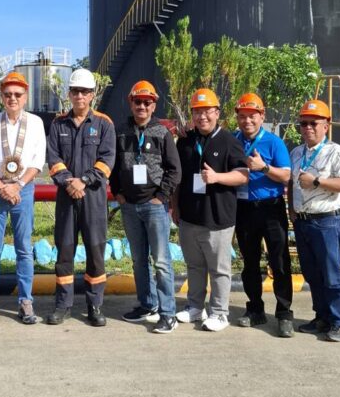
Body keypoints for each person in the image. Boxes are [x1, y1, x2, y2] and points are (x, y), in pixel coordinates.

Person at [173, 88, 248, 332]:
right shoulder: (185, 141)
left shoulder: (229, 141)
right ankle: (195, 307)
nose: (202, 116)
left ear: (217, 113)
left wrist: (217, 177)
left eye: (207, 111)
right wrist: (175, 206)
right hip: (189, 217)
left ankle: (219, 313)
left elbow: (243, 175)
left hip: (217, 218)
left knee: (219, 269)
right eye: (197, 112)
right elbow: (178, 178)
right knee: (194, 266)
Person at [46, 67, 116, 327]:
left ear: (92, 95)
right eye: (75, 91)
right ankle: (63, 305)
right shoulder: (58, 124)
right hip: (67, 197)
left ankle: (94, 305)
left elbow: (107, 160)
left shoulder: (104, 124)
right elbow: (53, 158)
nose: (80, 96)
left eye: (85, 92)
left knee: (95, 251)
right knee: (65, 251)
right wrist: (69, 182)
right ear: (69, 94)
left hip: (93, 198)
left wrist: (84, 181)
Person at [0, 71, 46, 325]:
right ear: (1, 97)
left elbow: (38, 160)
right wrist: (1, 186)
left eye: (17, 94)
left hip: (23, 191)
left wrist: (17, 186)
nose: (12, 98)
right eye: (7, 94)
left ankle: (26, 301)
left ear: (25, 96)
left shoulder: (35, 123)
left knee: (24, 249)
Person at [110, 80, 181, 333]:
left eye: (146, 102)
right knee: (139, 260)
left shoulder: (162, 133)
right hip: (129, 206)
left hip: (154, 207)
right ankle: (147, 304)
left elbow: (174, 170)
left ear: (153, 106)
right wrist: (118, 193)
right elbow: (113, 166)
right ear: (131, 103)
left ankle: (168, 313)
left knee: (161, 261)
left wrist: (161, 197)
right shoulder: (120, 132)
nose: (142, 106)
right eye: (138, 101)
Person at [287, 100, 340, 342]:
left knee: (332, 274)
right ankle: (322, 317)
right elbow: (291, 182)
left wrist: (317, 181)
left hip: (327, 222)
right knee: (312, 274)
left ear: (326, 125)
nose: (308, 128)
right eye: (303, 123)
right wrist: (291, 208)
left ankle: (339, 321)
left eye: (313, 123)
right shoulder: (296, 152)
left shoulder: (336, 152)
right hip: (303, 222)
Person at [233, 92, 294, 337]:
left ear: (262, 116)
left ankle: (284, 313)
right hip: (244, 208)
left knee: (279, 261)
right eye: (243, 116)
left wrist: (264, 167)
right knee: (249, 262)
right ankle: (255, 309)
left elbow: (286, 175)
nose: (247, 121)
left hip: (271, 207)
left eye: (252, 116)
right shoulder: (233, 140)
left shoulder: (273, 142)